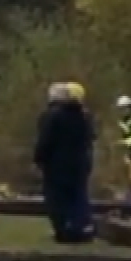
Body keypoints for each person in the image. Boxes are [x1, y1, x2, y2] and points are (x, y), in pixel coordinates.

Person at [33, 82, 96, 243]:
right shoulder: (84, 115)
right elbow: (91, 138)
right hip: (80, 162)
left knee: (56, 198)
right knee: (78, 196)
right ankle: (79, 228)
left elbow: (46, 140)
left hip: (57, 163)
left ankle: (63, 230)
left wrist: (39, 158)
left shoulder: (54, 115)